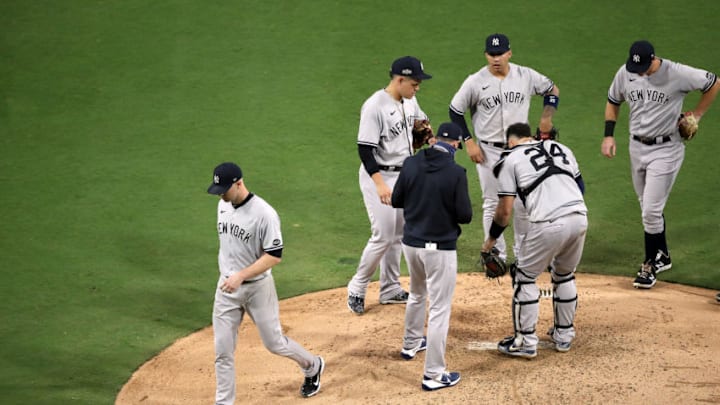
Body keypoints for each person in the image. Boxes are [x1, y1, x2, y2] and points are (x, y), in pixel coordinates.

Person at [601, 40, 720, 289]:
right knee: (646, 205)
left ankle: (649, 264)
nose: (639, 72)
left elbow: (713, 82)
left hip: (667, 148)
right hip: (636, 146)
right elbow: (613, 100)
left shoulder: (678, 73)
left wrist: (696, 115)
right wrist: (609, 135)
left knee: (651, 211)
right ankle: (662, 254)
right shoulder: (626, 72)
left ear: (653, 59)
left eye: (644, 67)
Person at [207, 162, 325, 403]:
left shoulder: (264, 214)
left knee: (275, 343)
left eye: (224, 190)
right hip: (227, 289)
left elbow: (274, 256)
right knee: (223, 352)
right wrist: (231, 275)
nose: (220, 195)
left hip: (257, 288)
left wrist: (241, 275)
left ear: (239, 183)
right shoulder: (223, 206)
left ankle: (312, 365)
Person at [449, 33, 560, 264]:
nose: (496, 59)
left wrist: (546, 118)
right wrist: (469, 141)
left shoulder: (526, 75)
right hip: (488, 151)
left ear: (509, 53)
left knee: (522, 203)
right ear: (486, 55)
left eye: (500, 54)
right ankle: (496, 254)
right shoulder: (475, 81)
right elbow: (455, 110)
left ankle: (524, 255)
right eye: (491, 54)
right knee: (492, 201)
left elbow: (552, 90)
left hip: (521, 150)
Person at [482, 123, 587, 358]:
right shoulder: (561, 147)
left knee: (523, 276)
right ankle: (564, 335)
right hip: (580, 216)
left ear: (510, 142)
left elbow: (504, 211)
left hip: (549, 222)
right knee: (564, 274)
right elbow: (580, 187)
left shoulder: (510, 159)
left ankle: (526, 341)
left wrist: (491, 240)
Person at [347, 56, 433, 315]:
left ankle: (390, 288)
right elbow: (365, 150)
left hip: (404, 174)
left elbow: (421, 124)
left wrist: (431, 138)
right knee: (383, 234)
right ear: (399, 79)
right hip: (380, 176)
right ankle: (357, 286)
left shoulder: (410, 99)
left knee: (400, 233)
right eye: (414, 83)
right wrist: (380, 185)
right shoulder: (375, 106)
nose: (418, 88)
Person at [391, 122, 472, 390]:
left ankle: (411, 343)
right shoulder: (456, 172)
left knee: (416, 293)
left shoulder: (411, 163)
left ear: (436, 139)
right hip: (439, 249)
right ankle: (434, 375)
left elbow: (396, 200)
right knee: (439, 309)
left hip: (411, 245)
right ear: (457, 144)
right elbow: (465, 216)